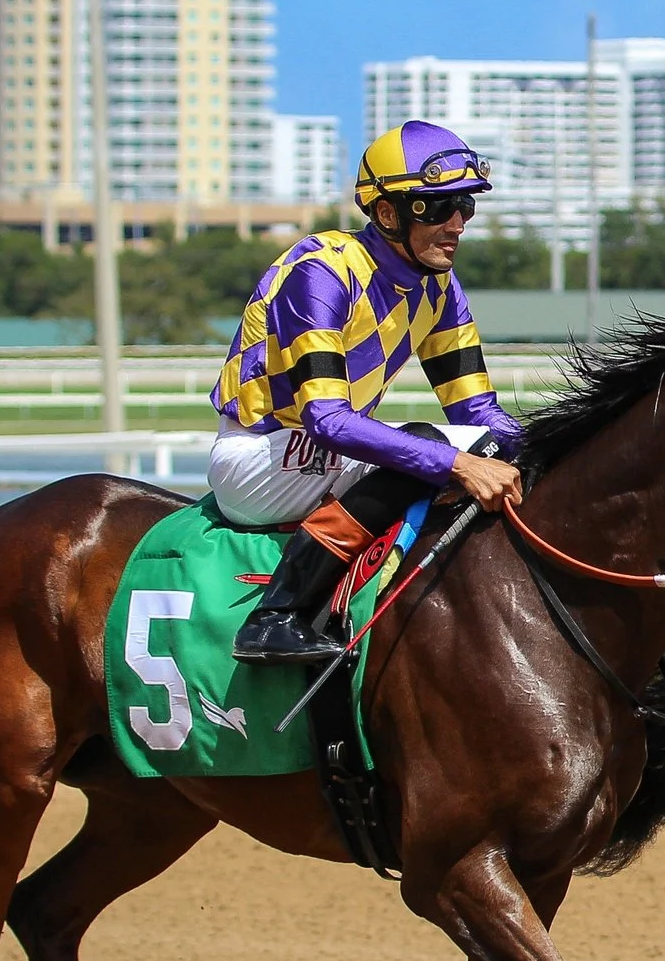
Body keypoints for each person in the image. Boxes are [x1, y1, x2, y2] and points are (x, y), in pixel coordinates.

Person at [211, 120, 525, 664]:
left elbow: (478, 412)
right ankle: (276, 615)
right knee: (432, 450)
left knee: (488, 449)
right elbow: (327, 420)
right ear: (387, 213)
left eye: (466, 207)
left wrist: (547, 445)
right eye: (439, 207)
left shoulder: (440, 288)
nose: (457, 225)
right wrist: (454, 462)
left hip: (323, 456)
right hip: (259, 456)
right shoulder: (320, 273)